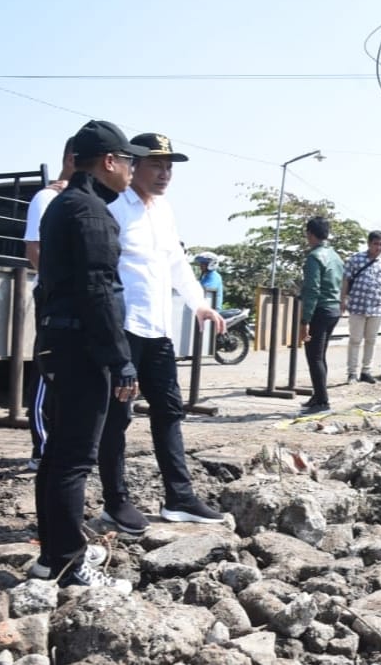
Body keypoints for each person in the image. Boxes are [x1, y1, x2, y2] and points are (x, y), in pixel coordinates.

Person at [34, 119, 150, 592]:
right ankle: (68, 566)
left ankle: (51, 558)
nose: (131, 169)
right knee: (75, 459)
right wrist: (120, 360)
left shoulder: (64, 206)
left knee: (58, 455)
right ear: (109, 162)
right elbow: (100, 291)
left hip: (60, 344)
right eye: (128, 161)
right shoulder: (91, 214)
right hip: (83, 349)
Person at [98, 132, 227, 533]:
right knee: (116, 419)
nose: (165, 173)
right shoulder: (114, 208)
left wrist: (200, 304)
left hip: (158, 331)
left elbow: (177, 265)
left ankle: (180, 497)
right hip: (124, 331)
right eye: (156, 164)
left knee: (169, 411)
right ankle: (115, 501)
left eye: (169, 166)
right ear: (132, 164)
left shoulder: (164, 210)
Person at [23, 136, 75, 471]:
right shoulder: (47, 198)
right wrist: (61, 287)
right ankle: (41, 449)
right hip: (56, 299)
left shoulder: (86, 200)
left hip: (84, 301)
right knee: (47, 370)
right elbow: (34, 250)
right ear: (72, 158)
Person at [297, 216, 344, 415]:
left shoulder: (314, 257)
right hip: (333, 309)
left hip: (320, 310)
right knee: (320, 355)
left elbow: (312, 290)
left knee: (314, 356)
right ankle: (318, 395)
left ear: (310, 234)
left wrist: (304, 320)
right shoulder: (335, 256)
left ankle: (322, 402)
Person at [340, 230, 381, 384]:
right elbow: (346, 280)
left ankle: (366, 371)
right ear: (369, 243)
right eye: (376, 244)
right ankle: (352, 373)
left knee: (371, 340)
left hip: (376, 308)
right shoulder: (356, 259)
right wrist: (343, 299)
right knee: (355, 340)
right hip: (357, 306)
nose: (378, 247)